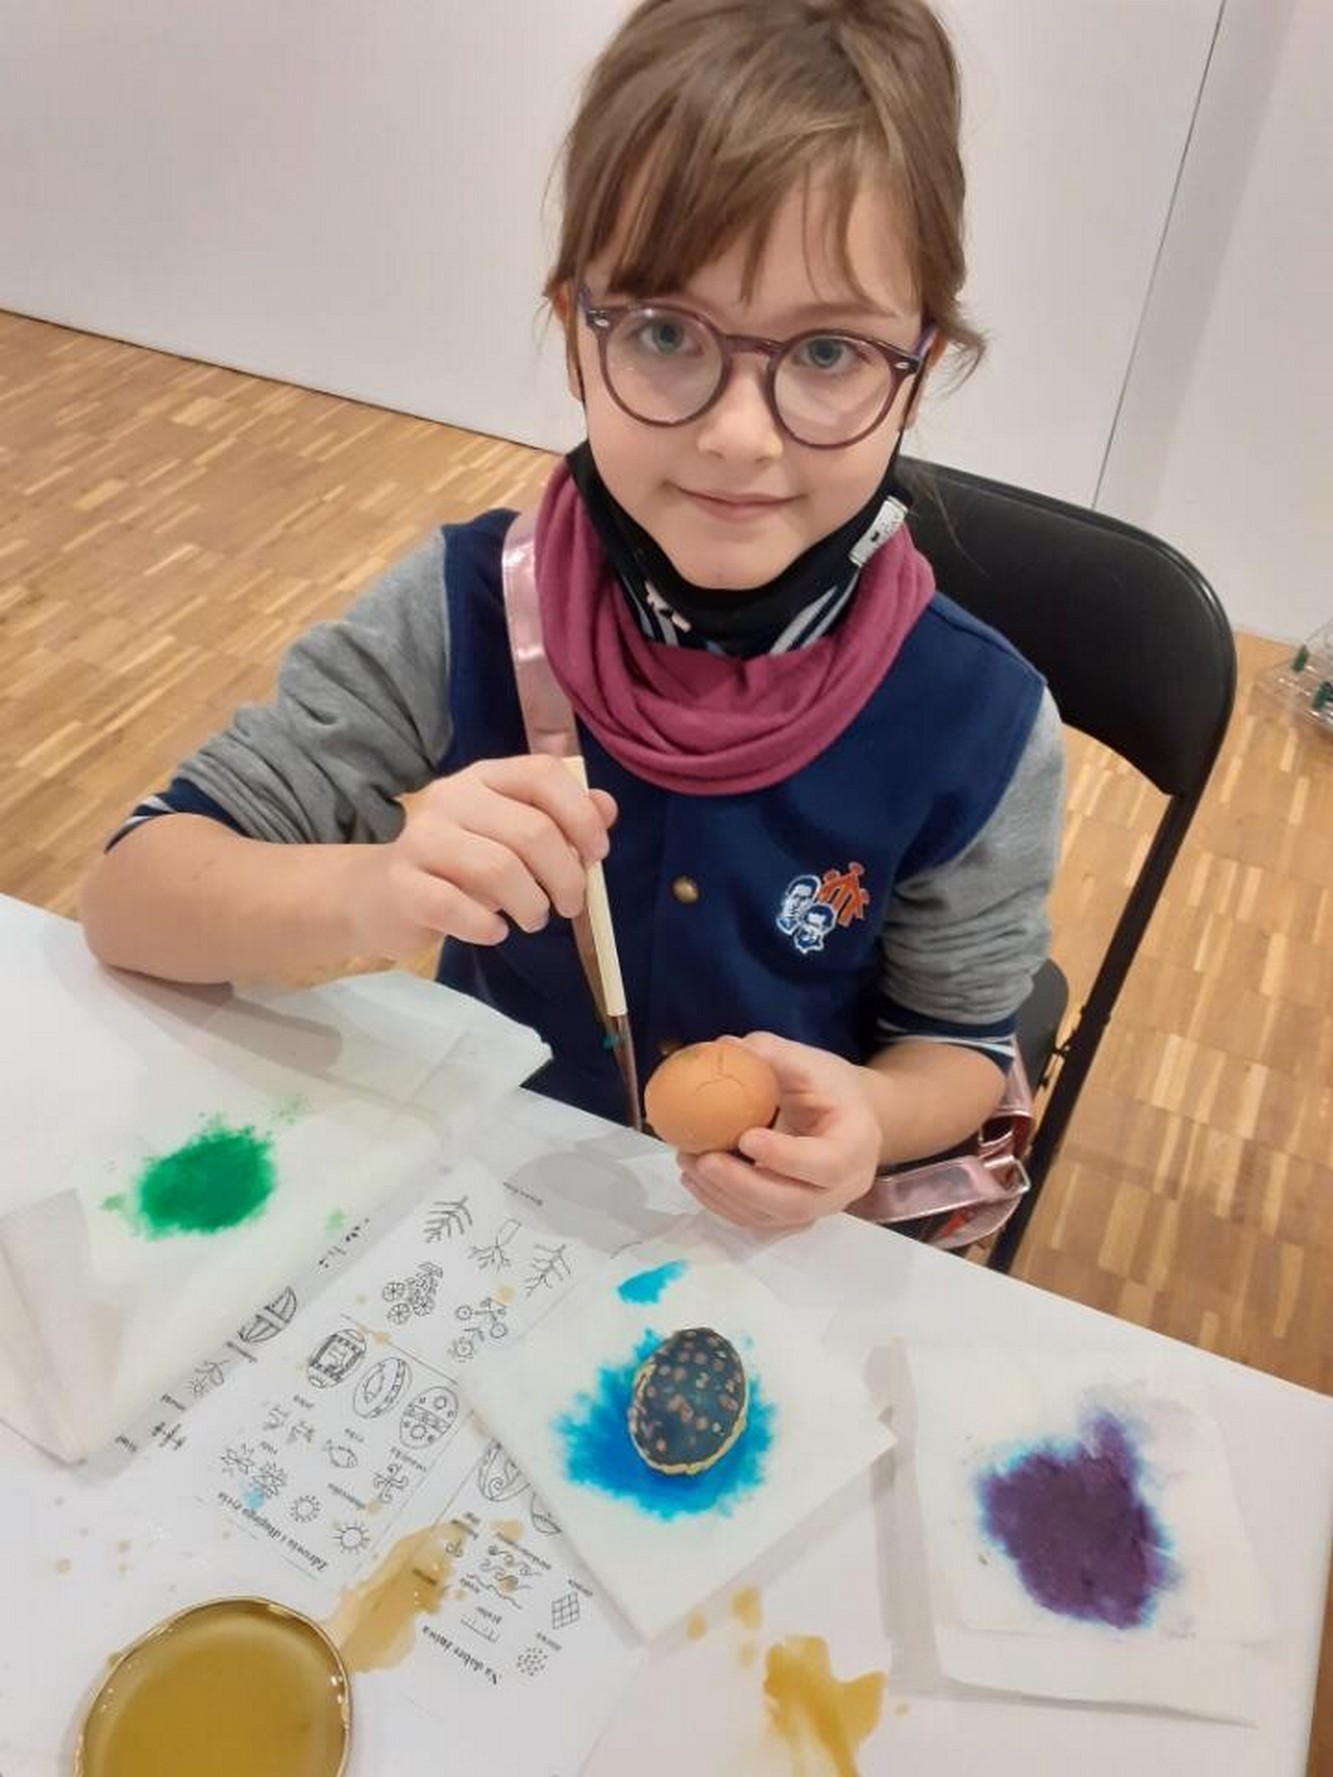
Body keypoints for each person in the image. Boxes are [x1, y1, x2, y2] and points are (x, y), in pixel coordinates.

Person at [81, 0, 1064, 1233]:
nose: (737, 434)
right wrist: (372, 890)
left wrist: (870, 1112)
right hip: (486, 1201)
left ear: (916, 372)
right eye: (665, 332)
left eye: (828, 354)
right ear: (574, 335)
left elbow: (959, 1044)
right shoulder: (469, 610)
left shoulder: (976, 721)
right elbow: (129, 897)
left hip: (761, 1247)